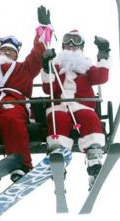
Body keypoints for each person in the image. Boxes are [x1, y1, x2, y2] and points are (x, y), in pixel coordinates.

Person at [0, 5, 52, 182]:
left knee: (12, 120)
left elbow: (38, 53)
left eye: (11, 51)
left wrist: (44, 27)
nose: (6, 52)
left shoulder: (25, 68)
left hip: (14, 103)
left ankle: (21, 164)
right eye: (4, 50)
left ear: (16, 55)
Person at [41, 29, 111, 189]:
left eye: (76, 41)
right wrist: (47, 66)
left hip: (82, 105)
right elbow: (47, 88)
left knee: (89, 117)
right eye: (68, 41)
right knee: (58, 119)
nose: (71, 45)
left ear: (81, 46)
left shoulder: (86, 66)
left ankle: (93, 156)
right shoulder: (56, 65)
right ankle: (58, 154)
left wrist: (103, 53)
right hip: (59, 105)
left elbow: (100, 77)